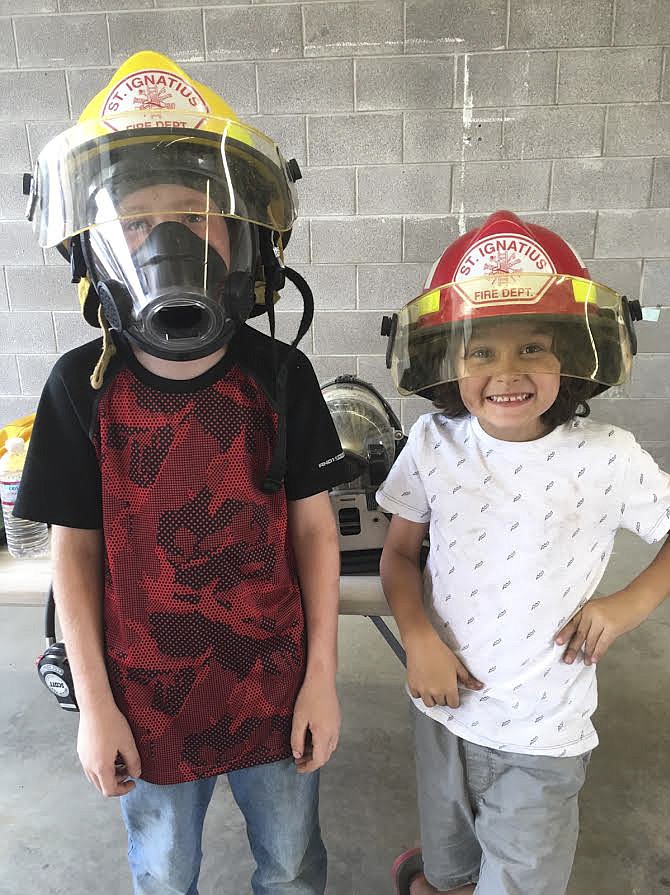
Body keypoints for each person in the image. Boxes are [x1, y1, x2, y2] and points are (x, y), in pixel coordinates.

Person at [15, 51, 349, 895]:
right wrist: (96, 707)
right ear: (93, 245)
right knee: (163, 872)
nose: (166, 239)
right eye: (135, 221)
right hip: (146, 697)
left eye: (196, 214)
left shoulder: (280, 376)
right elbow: (75, 559)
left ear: (245, 236)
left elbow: (313, 531)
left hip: (274, 688)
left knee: (292, 862)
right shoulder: (79, 387)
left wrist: (321, 681)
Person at [377, 210, 670, 895]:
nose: (506, 371)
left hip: (543, 731)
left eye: (532, 347)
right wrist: (416, 635)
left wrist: (630, 602)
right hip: (441, 713)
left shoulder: (606, 457)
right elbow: (397, 556)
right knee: (452, 870)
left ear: (569, 355)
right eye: (481, 350)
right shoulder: (432, 444)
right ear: (449, 359)